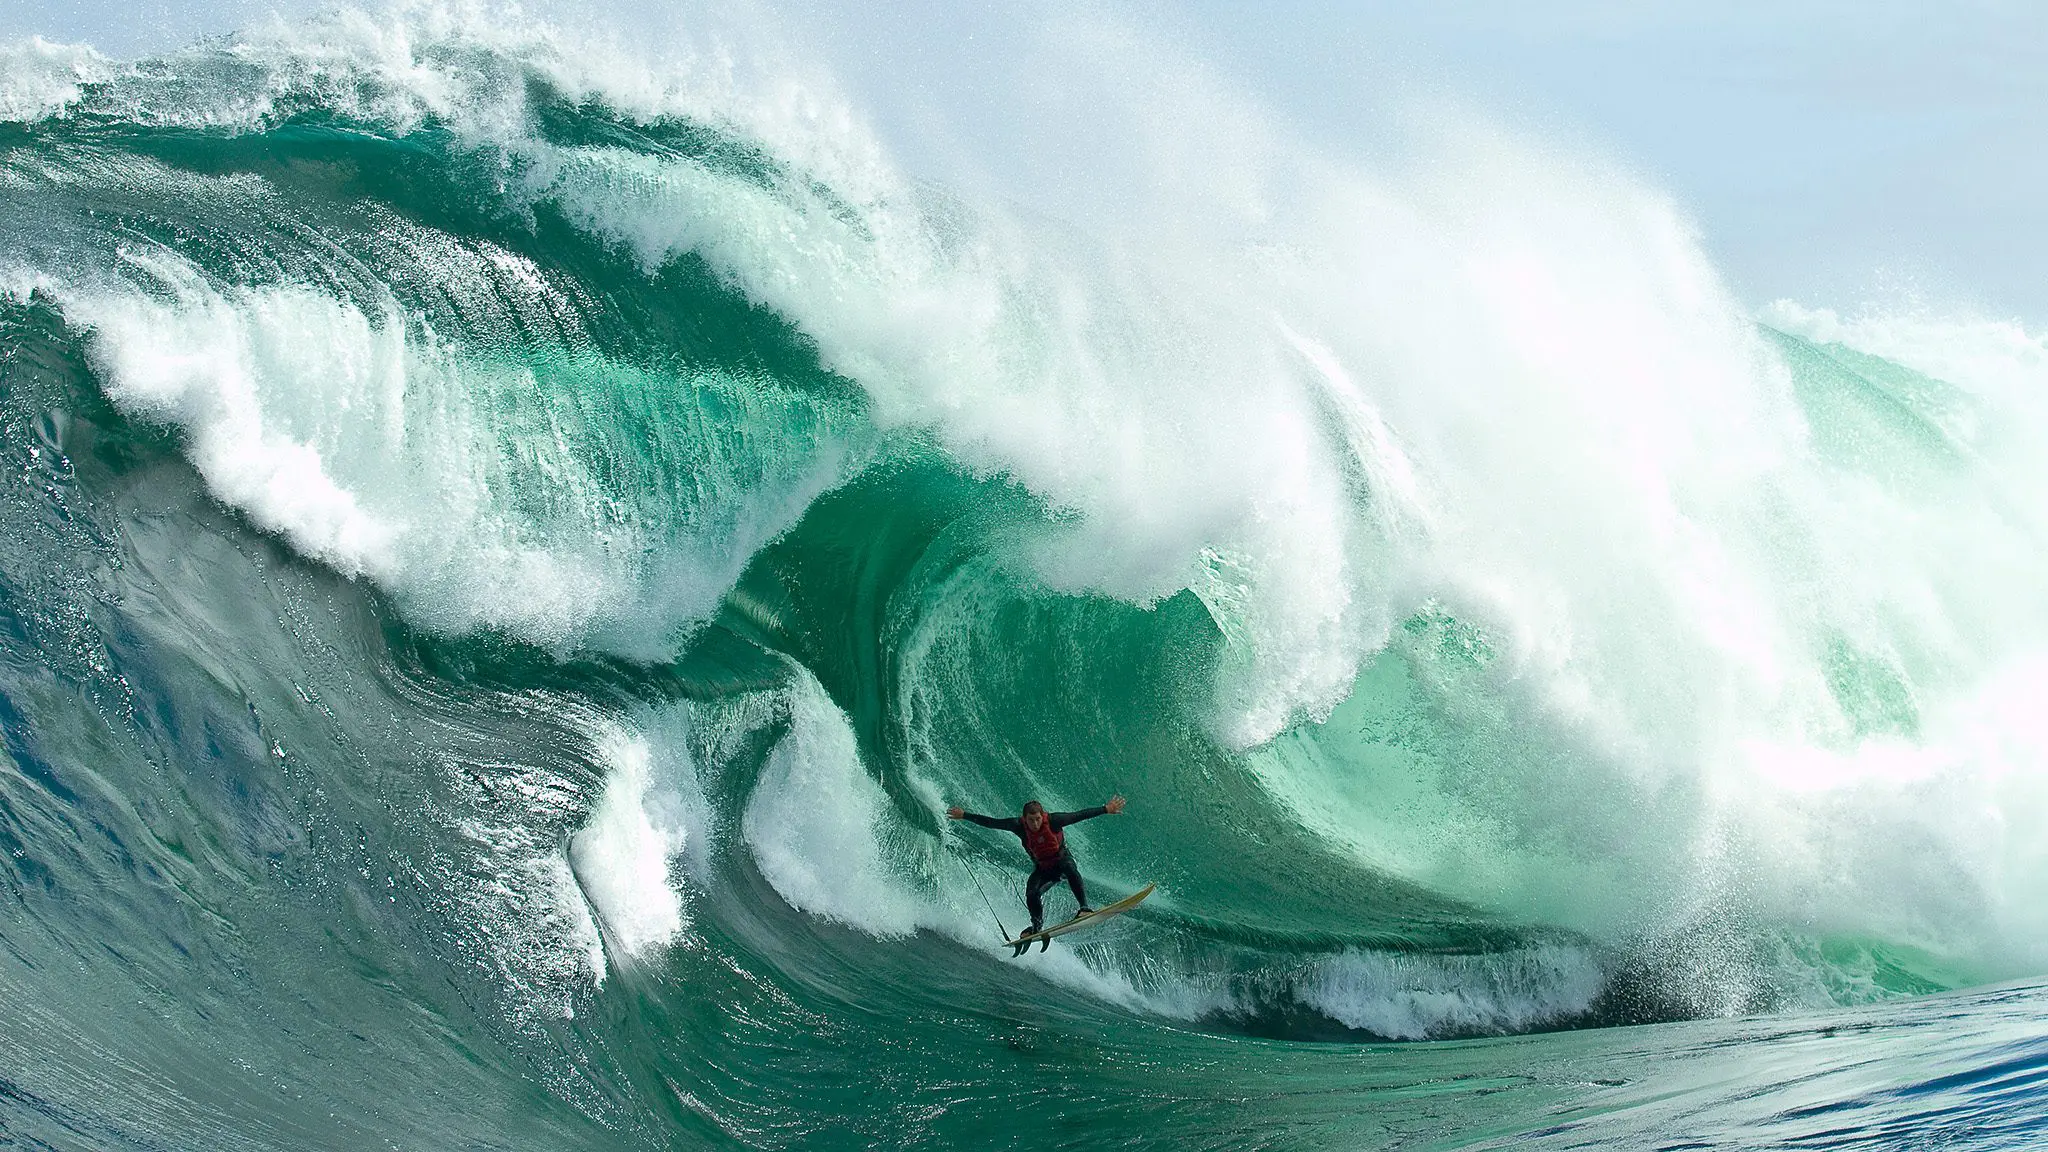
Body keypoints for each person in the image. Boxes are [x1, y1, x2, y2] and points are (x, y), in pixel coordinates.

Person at [948, 795, 1126, 936]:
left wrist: (1106, 809)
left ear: (1043, 816)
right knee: (1031, 892)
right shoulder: (1017, 825)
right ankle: (1037, 927)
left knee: (1070, 867)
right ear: (1025, 818)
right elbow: (992, 823)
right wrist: (964, 815)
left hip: (1062, 862)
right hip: (1043, 869)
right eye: (1031, 820)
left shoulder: (1055, 821)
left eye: (1038, 819)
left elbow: (1079, 815)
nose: (1035, 823)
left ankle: (1084, 908)